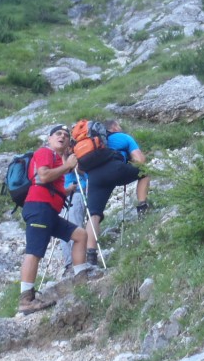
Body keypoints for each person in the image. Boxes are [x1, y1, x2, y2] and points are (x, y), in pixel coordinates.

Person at [18, 124, 91, 314]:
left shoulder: (57, 160)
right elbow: (42, 176)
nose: (63, 137)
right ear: (49, 138)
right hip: (39, 208)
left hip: (48, 211)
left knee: (80, 235)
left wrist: (66, 190)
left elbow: (50, 182)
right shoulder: (45, 152)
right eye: (58, 134)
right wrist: (67, 166)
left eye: (66, 135)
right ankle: (26, 300)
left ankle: (81, 278)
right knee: (34, 251)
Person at [82, 119, 150, 265]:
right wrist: (130, 164)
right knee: (144, 172)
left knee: (94, 214)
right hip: (115, 170)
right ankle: (143, 208)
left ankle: (91, 256)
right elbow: (140, 160)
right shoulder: (123, 137)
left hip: (94, 178)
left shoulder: (94, 146)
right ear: (113, 127)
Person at [60, 165, 88, 277]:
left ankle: (77, 265)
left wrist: (73, 165)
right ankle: (69, 264)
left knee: (74, 229)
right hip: (61, 195)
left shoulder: (78, 154)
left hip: (77, 192)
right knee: (62, 231)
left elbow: (86, 172)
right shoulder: (58, 156)